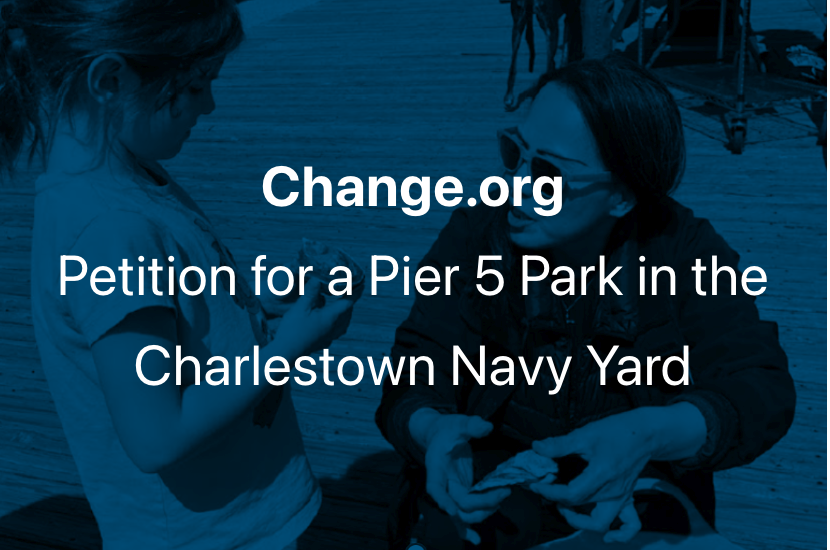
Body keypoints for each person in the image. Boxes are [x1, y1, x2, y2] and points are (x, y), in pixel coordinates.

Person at [376, 55, 795, 549]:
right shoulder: (475, 237)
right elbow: (416, 368)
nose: (515, 187)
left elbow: (760, 387)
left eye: (550, 174)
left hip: (640, 488)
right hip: (495, 490)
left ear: (621, 196)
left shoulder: (685, 249)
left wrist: (652, 433)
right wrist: (433, 430)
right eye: (514, 152)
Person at [2, 1, 358, 548]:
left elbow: (172, 325)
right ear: (110, 79)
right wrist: (286, 350)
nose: (210, 105)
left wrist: (259, 307)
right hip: (215, 535)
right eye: (195, 86)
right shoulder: (111, 230)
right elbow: (157, 436)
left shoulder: (123, 179)